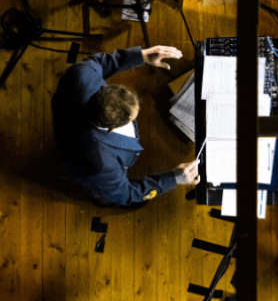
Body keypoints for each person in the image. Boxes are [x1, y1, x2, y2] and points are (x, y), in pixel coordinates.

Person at [52, 45, 199, 208]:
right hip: (89, 173)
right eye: (131, 119)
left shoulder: (81, 75)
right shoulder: (101, 164)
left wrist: (141, 56)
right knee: (105, 196)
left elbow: (98, 62)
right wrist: (174, 178)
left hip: (68, 127)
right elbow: (126, 194)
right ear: (111, 130)